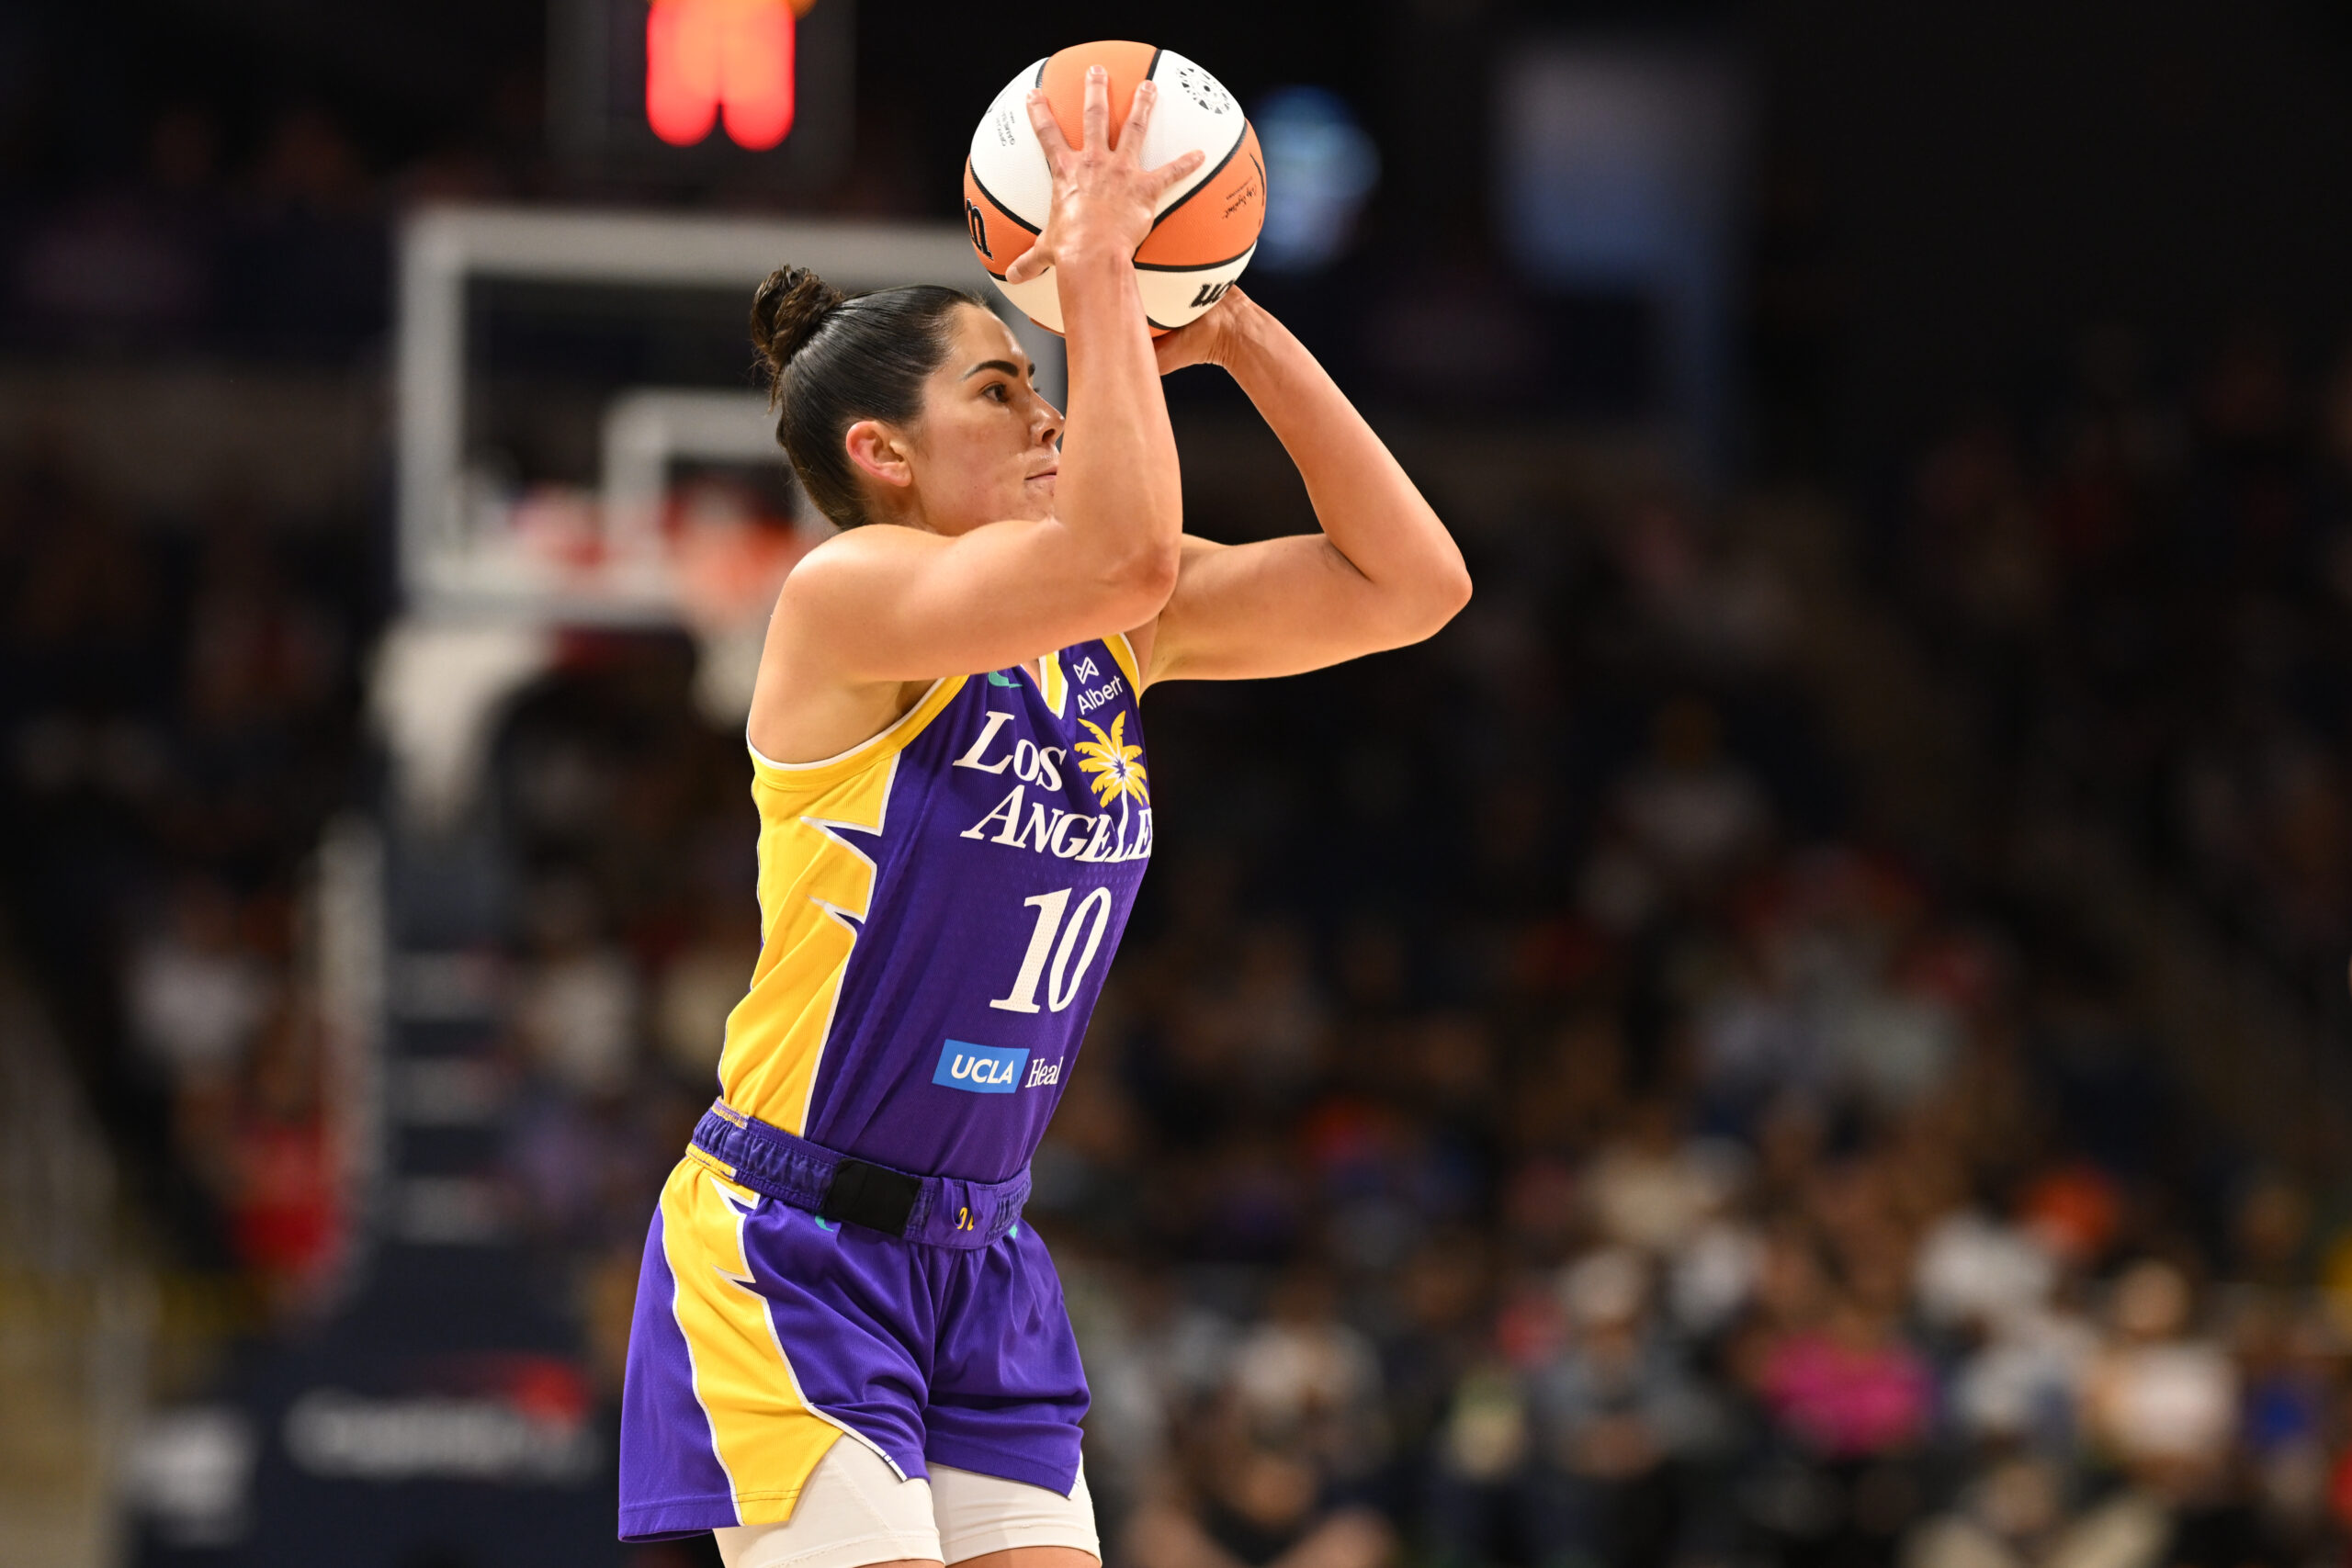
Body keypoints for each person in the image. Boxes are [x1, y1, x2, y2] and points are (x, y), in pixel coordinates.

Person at [619, 67, 1471, 1568]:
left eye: (1041, 376)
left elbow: (1412, 586)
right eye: (1002, 387)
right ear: (884, 457)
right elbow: (1128, 552)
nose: (1049, 409)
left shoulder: (1106, 632)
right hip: (795, 1243)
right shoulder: (849, 599)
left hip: (982, 1250)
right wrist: (1089, 268)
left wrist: (1234, 334)